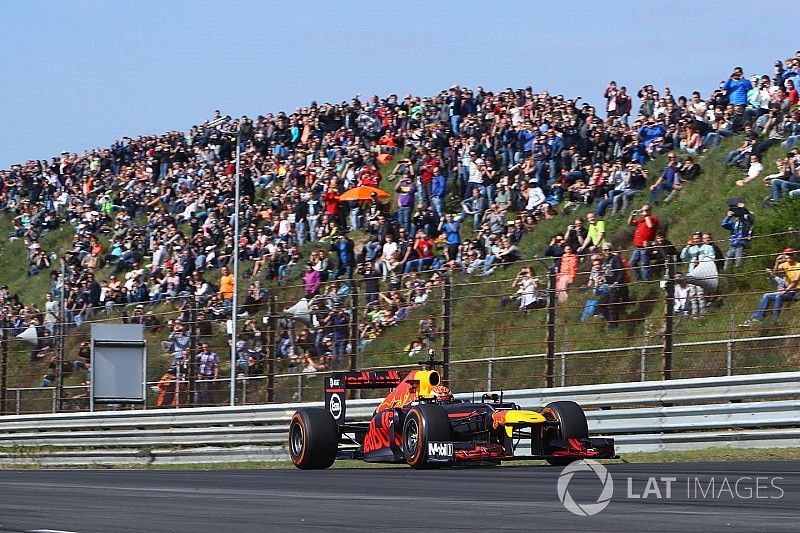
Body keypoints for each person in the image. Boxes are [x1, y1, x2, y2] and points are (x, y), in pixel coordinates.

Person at [741, 248, 800, 325]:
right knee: (766, 296)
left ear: (794, 255)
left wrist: (785, 291)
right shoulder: (784, 265)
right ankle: (758, 318)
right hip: (789, 290)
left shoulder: (798, 265)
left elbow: (795, 282)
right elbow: (775, 273)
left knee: (779, 296)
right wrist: (777, 262)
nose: (788, 256)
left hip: (797, 291)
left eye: (790, 254)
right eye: (786, 255)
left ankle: (774, 320)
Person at [628, 204, 659, 281]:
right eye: (642, 210)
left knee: (644, 264)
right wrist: (632, 215)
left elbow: (650, 226)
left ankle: (646, 280)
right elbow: (630, 223)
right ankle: (639, 278)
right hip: (638, 246)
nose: (643, 212)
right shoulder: (641, 220)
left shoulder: (653, 218)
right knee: (632, 263)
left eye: (645, 210)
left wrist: (646, 216)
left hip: (646, 246)